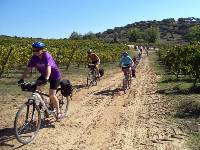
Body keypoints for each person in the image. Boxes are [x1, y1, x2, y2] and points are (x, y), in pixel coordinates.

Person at [18, 41, 64, 120]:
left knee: (52, 95)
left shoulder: (46, 55)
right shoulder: (34, 58)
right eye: (33, 50)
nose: (35, 52)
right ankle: (44, 103)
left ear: (42, 49)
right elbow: (28, 69)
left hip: (55, 76)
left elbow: (48, 68)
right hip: (44, 75)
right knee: (36, 86)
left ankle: (58, 112)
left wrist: (47, 78)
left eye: (37, 50)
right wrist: (22, 78)